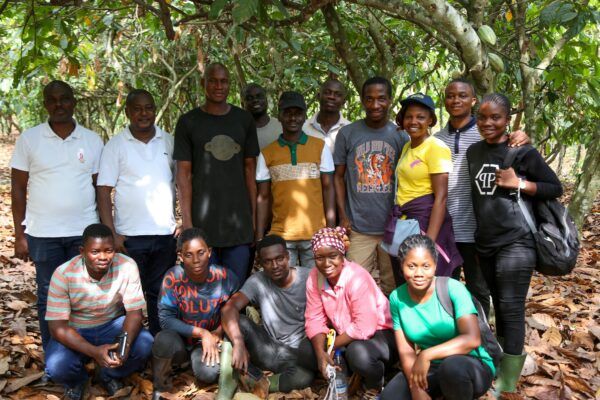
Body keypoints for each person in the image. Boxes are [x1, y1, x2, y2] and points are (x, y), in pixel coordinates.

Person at [467, 93, 562, 394]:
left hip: (517, 240)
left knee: (510, 307)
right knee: (497, 302)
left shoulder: (522, 152)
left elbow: (554, 187)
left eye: (495, 117)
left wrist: (518, 183)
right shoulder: (473, 152)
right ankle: (502, 361)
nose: (487, 123)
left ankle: (507, 381)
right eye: (482, 117)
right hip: (486, 242)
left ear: (508, 119)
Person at [10, 80, 104, 351]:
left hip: (83, 233)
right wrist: (20, 234)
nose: (59, 104)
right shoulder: (30, 138)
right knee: (48, 297)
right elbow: (18, 187)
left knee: (85, 296)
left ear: (74, 101)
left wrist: (104, 232)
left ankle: (87, 353)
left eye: (64, 99)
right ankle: (56, 357)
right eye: (52, 100)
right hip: (43, 233)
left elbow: (101, 187)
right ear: (45, 104)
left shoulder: (91, 139)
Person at [435, 78, 530, 316]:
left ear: (474, 101)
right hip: (444, 225)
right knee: (444, 286)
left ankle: (482, 343)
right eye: (450, 95)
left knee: (478, 287)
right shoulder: (435, 139)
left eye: (463, 95)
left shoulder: (486, 134)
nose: (456, 100)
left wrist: (521, 136)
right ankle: (451, 341)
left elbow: (514, 155)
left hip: (477, 228)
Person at [97, 89, 178, 336]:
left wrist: (182, 220)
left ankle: (158, 345)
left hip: (164, 234)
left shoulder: (168, 140)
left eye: (149, 107)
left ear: (155, 109)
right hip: (129, 237)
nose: (144, 113)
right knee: (126, 298)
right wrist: (112, 233)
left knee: (159, 295)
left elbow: (182, 181)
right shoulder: (116, 145)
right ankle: (125, 348)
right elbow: (103, 190)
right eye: (138, 108)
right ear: (128, 112)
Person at [44, 223, 153, 400]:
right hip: (76, 329)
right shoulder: (64, 274)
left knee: (145, 344)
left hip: (111, 325)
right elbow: (57, 328)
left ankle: (109, 374)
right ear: (82, 251)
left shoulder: (126, 266)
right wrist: (94, 351)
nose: (103, 257)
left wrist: (123, 348)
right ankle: (78, 380)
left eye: (108, 250)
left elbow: (134, 313)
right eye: (95, 252)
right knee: (57, 366)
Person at [174, 63, 259, 283]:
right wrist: (188, 226)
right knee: (204, 293)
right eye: (212, 80)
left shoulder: (244, 120)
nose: (218, 86)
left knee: (235, 289)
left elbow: (250, 171)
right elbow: (183, 176)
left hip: (238, 225)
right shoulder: (188, 122)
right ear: (203, 84)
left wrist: (254, 220)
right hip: (202, 225)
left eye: (224, 81)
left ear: (230, 85)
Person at [381, 234, 494, 400]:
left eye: (425, 266)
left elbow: (472, 339)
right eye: (411, 266)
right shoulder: (397, 298)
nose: (419, 273)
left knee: (452, 369)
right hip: (431, 367)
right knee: (390, 397)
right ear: (401, 266)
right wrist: (415, 388)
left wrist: (427, 355)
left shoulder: (453, 288)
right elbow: (406, 350)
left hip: (469, 363)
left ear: (435, 266)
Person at [333, 77, 409, 295]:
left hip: (392, 227)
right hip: (359, 228)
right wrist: (343, 215)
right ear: (362, 101)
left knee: (393, 286)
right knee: (355, 286)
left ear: (390, 100)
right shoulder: (347, 134)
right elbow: (338, 177)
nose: (375, 105)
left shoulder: (401, 135)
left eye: (381, 99)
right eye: (370, 99)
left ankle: (392, 327)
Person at [305, 227, 397, 400]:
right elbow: (314, 318)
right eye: (320, 257)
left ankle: (375, 383)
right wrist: (321, 354)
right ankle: (345, 374)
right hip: (347, 333)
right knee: (306, 350)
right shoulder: (314, 277)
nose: (326, 263)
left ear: (342, 255)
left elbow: (365, 326)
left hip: (381, 333)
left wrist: (331, 348)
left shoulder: (356, 277)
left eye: (333, 256)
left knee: (359, 354)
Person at [221, 234, 317, 394]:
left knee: (303, 377)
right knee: (238, 322)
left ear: (288, 257)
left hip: (296, 353)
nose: (275, 265)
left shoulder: (308, 277)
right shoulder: (257, 281)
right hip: (268, 347)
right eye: (268, 261)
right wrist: (238, 343)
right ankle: (225, 388)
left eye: (279, 258)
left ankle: (257, 383)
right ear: (260, 263)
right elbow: (228, 309)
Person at [151, 228, 239, 399]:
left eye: (201, 253)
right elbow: (165, 320)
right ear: (181, 256)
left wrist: (218, 331)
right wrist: (201, 332)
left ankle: (193, 363)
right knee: (162, 339)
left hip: (208, 342)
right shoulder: (173, 277)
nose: (196, 260)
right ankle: (161, 385)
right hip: (180, 340)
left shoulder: (224, 276)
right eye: (189, 254)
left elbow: (236, 308)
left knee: (208, 374)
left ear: (209, 252)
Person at [256, 91, 336, 267]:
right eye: (287, 112)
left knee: (316, 285)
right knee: (285, 288)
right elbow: (263, 197)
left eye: (298, 113)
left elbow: (328, 188)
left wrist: (329, 230)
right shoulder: (267, 153)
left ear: (304, 115)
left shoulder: (319, 147)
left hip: (316, 234)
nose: (293, 118)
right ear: (279, 116)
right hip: (281, 237)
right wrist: (260, 236)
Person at [389, 93, 462, 281]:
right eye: (409, 116)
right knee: (407, 280)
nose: (414, 121)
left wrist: (428, 242)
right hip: (407, 221)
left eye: (420, 117)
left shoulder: (435, 147)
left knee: (427, 280)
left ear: (430, 120)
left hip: (426, 222)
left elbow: (441, 197)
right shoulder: (408, 147)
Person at [303, 78, 350, 152]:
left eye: (337, 95)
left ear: (343, 101)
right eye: (327, 92)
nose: (331, 97)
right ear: (318, 96)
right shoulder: (303, 128)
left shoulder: (350, 129)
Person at [242, 83, 283, 150]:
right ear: (243, 104)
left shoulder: (281, 127)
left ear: (266, 100)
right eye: (249, 98)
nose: (255, 100)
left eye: (259, 96)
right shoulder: (239, 130)